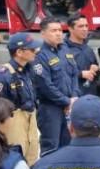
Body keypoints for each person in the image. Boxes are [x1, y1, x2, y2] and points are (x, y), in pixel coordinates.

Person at [0, 32, 42, 165]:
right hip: (13, 122)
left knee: (32, 157)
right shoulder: (2, 76)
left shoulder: (28, 70)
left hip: (30, 118)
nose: (35, 52)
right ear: (19, 52)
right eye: (31, 49)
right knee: (15, 160)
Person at [32, 16, 81, 155]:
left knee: (69, 144)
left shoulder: (65, 50)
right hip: (50, 109)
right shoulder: (40, 55)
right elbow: (45, 85)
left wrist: (74, 97)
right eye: (53, 30)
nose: (59, 33)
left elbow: (74, 74)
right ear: (43, 33)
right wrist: (66, 101)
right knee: (51, 146)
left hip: (69, 106)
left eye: (60, 30)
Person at [65, 13, 100, 96]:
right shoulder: (63, 49)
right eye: (81, 26)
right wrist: (81, 74)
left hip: (90, 96)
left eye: (86, 26)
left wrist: (96, 69)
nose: (85, 29)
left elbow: (96, 77)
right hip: (73, 98)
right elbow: (59, 74)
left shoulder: (88, 49)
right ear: (70, 29)